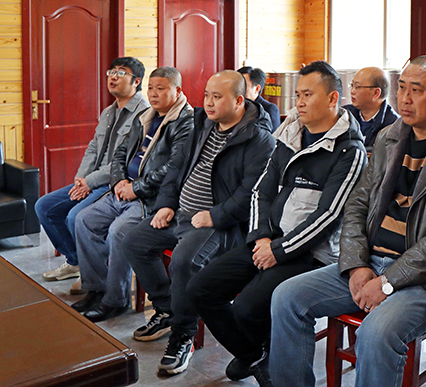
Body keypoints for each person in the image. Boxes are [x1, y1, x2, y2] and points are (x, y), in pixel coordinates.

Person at [269, 55, 426, 387]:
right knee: (287, 297)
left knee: (376, 332)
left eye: (416, 90)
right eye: (402, 88)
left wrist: (388, 281)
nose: (405, 98)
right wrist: (355, 264)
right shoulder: (389, 137)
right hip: (374, 263)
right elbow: (357, 206)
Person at [187, 60, 367, 386]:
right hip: (269, 240)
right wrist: (260, 238)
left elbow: (328, 215)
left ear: (332, 99)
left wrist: (278, 250)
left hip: (311, 253)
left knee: (246, 308)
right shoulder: (290, 134)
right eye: (297, 94)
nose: (299, 102)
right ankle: (255, 356)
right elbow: (261, 190)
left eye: (308, 94)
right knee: (201, 288)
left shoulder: (349, 150)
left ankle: (265, 355)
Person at [122, 70, 276, 375]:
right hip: (181, 214)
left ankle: (183, 335)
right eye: (206, 95)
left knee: (184, 261)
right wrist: (166, 204)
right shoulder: (202, 124)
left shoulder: (259, 139)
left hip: (219, 225)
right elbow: (176, 168)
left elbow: (251, 194)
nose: (208, 102)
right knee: (133, 241)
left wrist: (214, 216)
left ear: (239, 101)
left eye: (217, 97)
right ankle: (168, 308)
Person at [71, 67, 194, 322]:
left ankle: (115, 300)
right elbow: (120, 152)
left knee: (119, 231)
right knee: (84, 220)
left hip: (150, 199)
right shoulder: (145, 116)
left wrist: (135, 188)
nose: (153, 94)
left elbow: (173, 168)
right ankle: (97, 289)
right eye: (150, 88)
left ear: (177, 91)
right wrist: (119, 181)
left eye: (161, 89)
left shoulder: (186, 122)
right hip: (124, 189)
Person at [36, 57, 149, 282]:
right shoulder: (109, 111)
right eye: (111, 72)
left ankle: (95, 273)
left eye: (121, 73)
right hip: (92, 180)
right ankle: (76, 262)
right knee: (45, 206)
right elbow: (94, 147)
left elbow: (124, 162)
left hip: (115, 183)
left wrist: (90, 182)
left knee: (74, 217)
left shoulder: (144, 114)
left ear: (136, 81)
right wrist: (82, 177)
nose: (113, 77)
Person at [343, 66, 399, 153]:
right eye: (352, 85)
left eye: (357, 86)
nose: (352, 91)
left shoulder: (394, 125)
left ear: (376, 93)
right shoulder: (344, 115)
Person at [238, 66, 281, 131]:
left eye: (243, 86)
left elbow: (274, 135)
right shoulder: (235, 107)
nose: (238, 90)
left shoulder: (269, 109)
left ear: (257, 88)